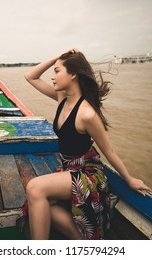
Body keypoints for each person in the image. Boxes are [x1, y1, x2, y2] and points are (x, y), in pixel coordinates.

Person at [17, 48, 152, 240]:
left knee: (34, 188)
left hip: (88, 175)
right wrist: (59, 56)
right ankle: (80, 240)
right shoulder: (62, 98)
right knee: (40, 204)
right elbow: (30, 76)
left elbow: (109, 151)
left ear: (73, 74)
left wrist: (129, 179)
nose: (52, 77)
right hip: (69, 169)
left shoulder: (87, 114)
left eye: (57, 71)